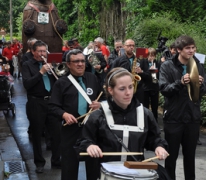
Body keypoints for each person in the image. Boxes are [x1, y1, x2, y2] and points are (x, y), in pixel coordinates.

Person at [75, 67, 170, 180]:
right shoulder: (98, 116)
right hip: (104, 174)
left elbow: (154, 138)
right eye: (122, 89)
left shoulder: (144, 114)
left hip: (136, 173)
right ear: (110, 90)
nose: (128, 93)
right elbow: (83, 141)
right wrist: (89, 146)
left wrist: (159, 146)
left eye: (130, 87)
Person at [48, 49, 102, 180]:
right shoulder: (61, 83)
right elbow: (52, 106)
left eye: (82, 61)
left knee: (94, 167)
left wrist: (100, 105)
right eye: (76, 61)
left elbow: (104, 98)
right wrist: (64, 114)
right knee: (69, 168)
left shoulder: (92, 78)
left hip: (92, 129)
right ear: (68, 64)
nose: (80, 64)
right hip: (71, 130)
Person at [159, 35, 206, 180]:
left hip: (192, 117)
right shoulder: (167, 65)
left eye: (193, 48)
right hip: (174, 118)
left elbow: (203, 92)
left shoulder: (198, 65)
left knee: (190, 158)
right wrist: (180, 83)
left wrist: (201, 85)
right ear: (179, 50)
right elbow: (163, 89)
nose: (191, 51)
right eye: (188, 48)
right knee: (171, 158)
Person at [22, 40, 56, 173]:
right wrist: (41, 72)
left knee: (56, 133)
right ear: (33, 52)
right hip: (36, 102)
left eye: (45, 51)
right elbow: (27, 84)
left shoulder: (50, 64)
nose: (43, 54)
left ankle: (56, 159)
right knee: (36, 134)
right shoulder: (27, 65)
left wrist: (55, 71)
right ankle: (39, 163)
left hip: (52, 101)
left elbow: (60, 82)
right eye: (40, 51)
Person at [110, 39, 145, 104]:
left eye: (133, 46)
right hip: (123, 90)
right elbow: (111, 74)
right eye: (129, 45)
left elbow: (147, 74)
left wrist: (141, 71)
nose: (131, 47)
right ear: (124, 47)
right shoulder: (118, 60)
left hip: (138, 90)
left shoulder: (140, 59)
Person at [140, 47, 160, 122]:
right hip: (145, 87)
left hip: (154, 87)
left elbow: (156, 79)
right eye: (149, 55)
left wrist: (153, 72)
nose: (151, 57)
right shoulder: (143, 62)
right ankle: (145, 122)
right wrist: (149, 72)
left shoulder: (157, 63)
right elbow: (142, 76)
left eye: (153, 55)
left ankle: (155, 122)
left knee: (155, 107)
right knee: (145, 106)